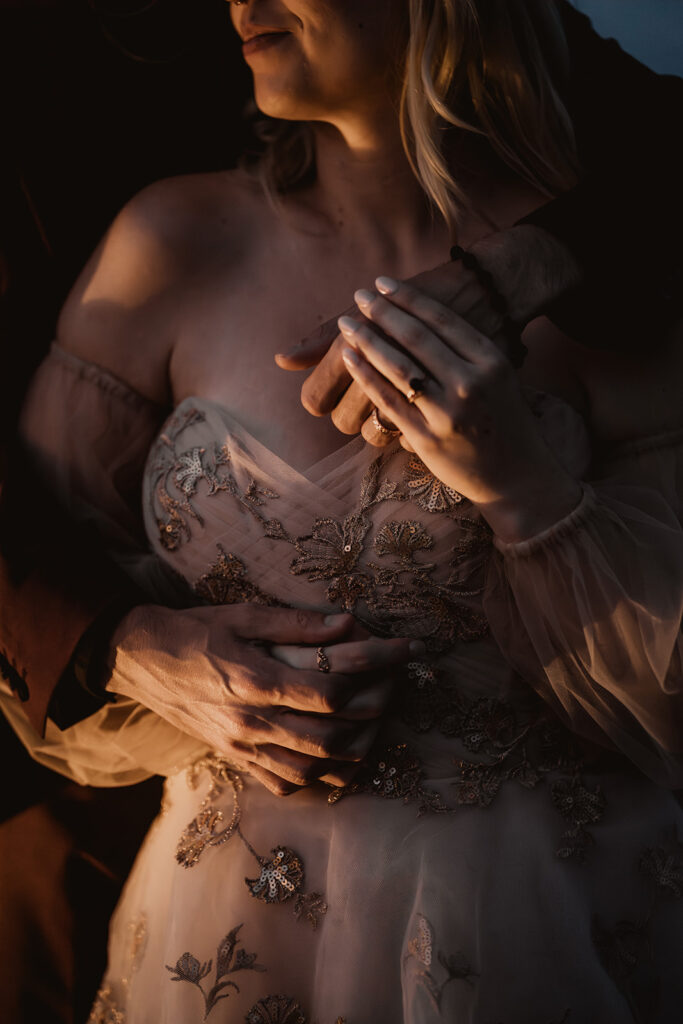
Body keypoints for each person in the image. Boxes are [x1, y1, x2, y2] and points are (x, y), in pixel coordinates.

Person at [1, 1, 682, 1023]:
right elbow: (50, 519)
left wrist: (519, 480)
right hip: (216, 909)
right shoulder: (170, 234)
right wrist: (132, 642)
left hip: (543, 911)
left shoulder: (614, 262)